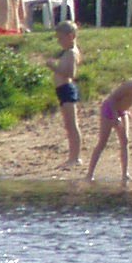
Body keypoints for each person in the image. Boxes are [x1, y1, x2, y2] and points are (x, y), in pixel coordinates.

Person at [50, 21, 83, 166]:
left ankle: (75, 158)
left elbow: (70, 73)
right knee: (68, 125)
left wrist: (54, 68)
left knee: (72, 124)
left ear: (70, 36)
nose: (59, 42)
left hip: (67, 89)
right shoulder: (68, 52)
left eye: (61, 38)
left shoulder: (71, 53)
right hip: (62, 90)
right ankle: (72, 156)